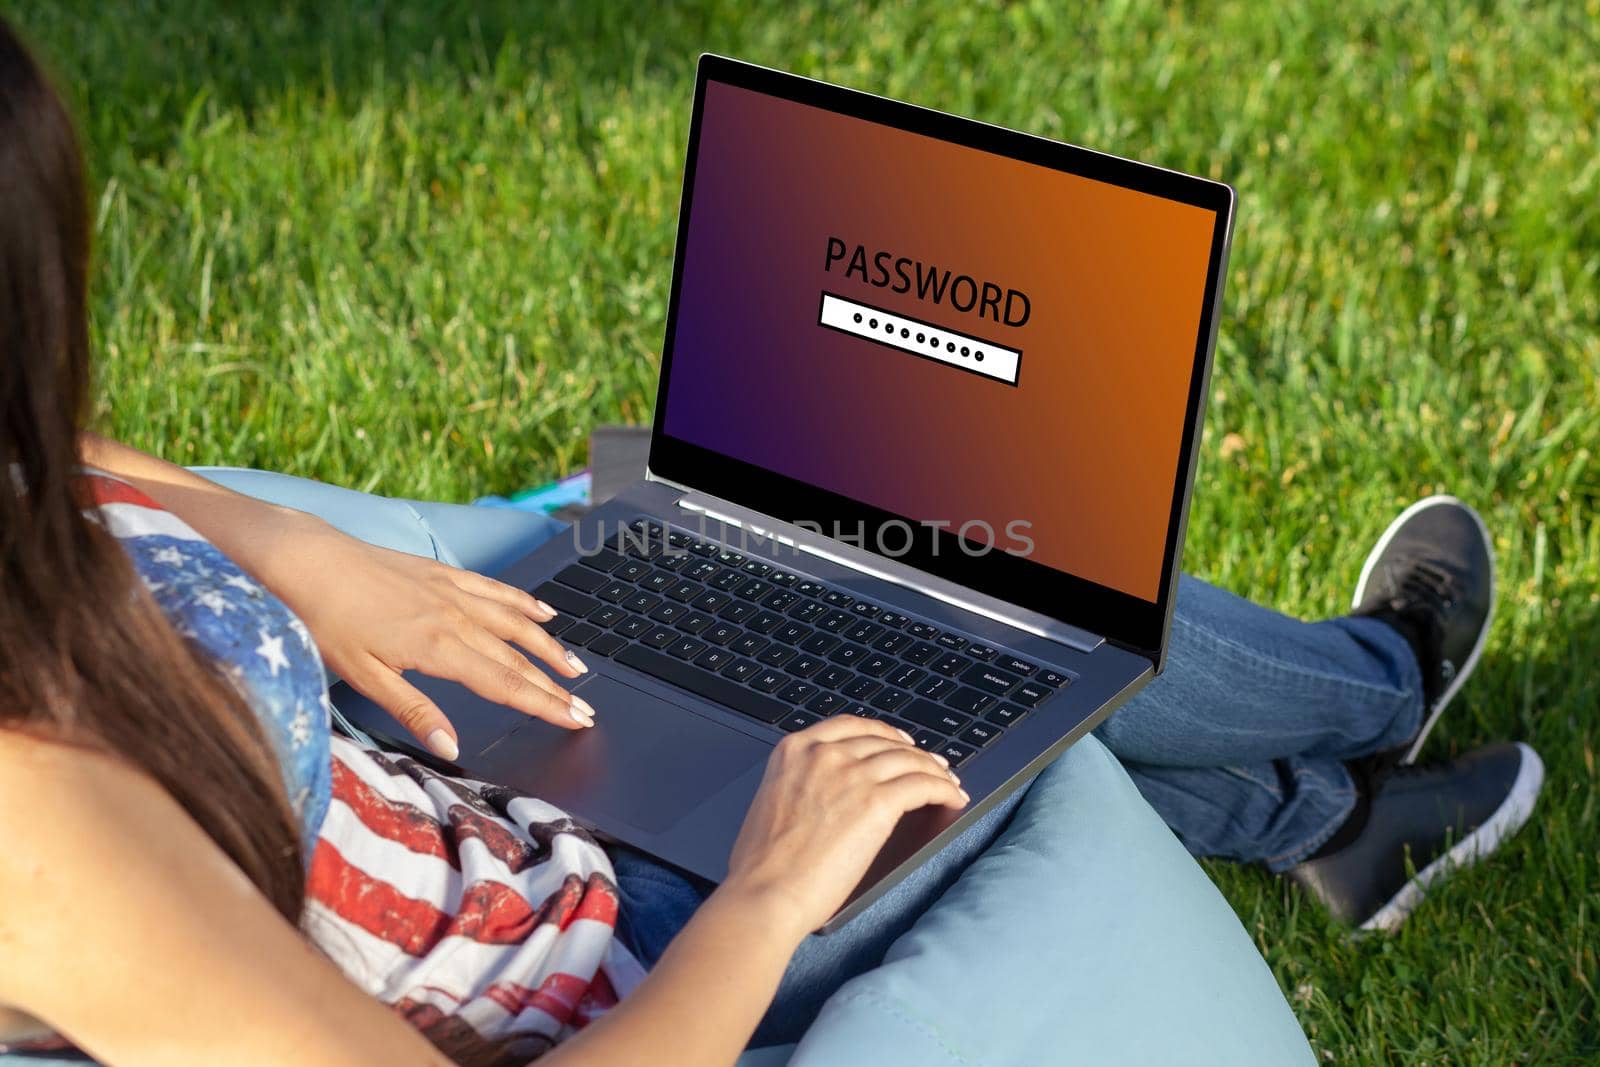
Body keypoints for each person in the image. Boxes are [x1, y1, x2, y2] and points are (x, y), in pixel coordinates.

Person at [0, 21, 1539, 1067]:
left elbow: (42, 450)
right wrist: (764, 898)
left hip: (479, 769)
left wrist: (274, 539)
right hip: (646, 943)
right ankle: (1373, 695)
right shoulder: (36, 834)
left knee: (812, 553)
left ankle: (1329, 818)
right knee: (949, 576)